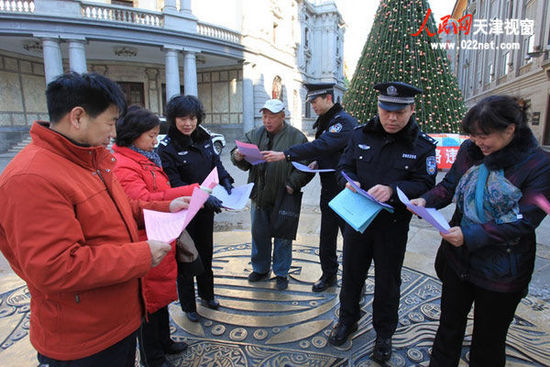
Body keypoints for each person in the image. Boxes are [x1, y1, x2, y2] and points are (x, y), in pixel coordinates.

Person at [0, 72, 190, 366]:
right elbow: (55, 267)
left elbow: (123, 208)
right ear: (78, 117)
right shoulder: (31, 177)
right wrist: (141, 255)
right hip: (81, 339)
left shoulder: (90, 160)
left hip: (116, 321)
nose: (114, 133)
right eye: (111, 122)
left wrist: (167, 206)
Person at [409, 96, 550, 367]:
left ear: (510, 130)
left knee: (489, 341)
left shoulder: (539, 164)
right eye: (473, 135)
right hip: (458, 260)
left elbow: (525, 220)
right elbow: (449, 185)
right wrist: (426, 200)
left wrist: (469, 235)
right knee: (448, 328)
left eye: (485, 136)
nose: (478, 142)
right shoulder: (470, 149)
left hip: (502, 270)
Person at [329, 82, 437, 363]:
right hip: (357, 220)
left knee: (388, 282)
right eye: (386, 110)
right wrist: (348, 182)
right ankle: (347, 321)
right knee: (351, 273)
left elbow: (425, 182)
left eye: (399, 112)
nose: (392, 118)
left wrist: (391, 189)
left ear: (412, 110)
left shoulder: (422, 146)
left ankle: (384, 334)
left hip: (392, 225)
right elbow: (343, 166)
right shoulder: (360, 135)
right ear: (378, 106)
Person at [113, 105, 198, 367]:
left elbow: (157, 192)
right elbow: (139, 202)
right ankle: (154, 358)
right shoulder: (125, 164)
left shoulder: (145, 157)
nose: (155, 140)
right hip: (144, 239)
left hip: (160, 234)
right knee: (148, 304)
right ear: (133, 134)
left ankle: (165, 342)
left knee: (160, 298)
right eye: (150, 135)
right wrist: (186, 192)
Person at [262, 83, 357, 292]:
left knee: (351, 241)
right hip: (329, 188)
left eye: (315, 101)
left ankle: (355, 285)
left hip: (346, 191)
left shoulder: (343, 122)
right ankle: (329, 275)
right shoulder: (327, 120)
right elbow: (324, 149)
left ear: (329, 99)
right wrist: (315, 160)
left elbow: (323, 144)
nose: (312, 105)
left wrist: (286, 154)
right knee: (327, 235)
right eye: (311, 101)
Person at [157, 95, 233, 323]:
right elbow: (173, 182)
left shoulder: (204, 137)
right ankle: (189, 305)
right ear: (173, 119)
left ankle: (208, 295)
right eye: (182, 119)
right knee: (187, 259)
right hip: (184, 212)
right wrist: (200, 197)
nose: (188, 123)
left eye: (192, 118)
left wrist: (226, 179)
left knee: (207, 254)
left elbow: (215, 164)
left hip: (206, 211)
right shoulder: (167, 148)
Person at [230, 99, 313, 290]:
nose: (267, 121)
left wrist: (293, 184)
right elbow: (239, 156)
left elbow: (306, 166)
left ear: (282, 116)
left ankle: (282, 272)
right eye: (265, 116)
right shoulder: (255, 134)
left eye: (272, 117)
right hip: (259, 195)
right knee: (259, 234)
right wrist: (237, 155)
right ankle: (260, 268)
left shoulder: (296, 137)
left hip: (284, 197)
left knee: (283, 237)